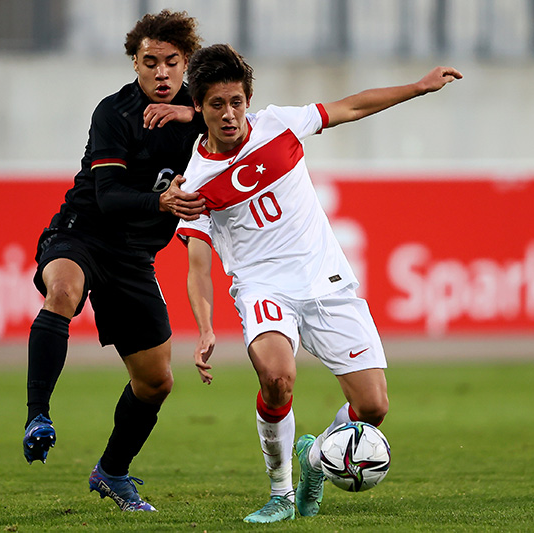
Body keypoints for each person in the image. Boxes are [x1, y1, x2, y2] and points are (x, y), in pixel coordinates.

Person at [176, 44, 462, 523]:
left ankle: (314, 459)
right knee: (276, 378)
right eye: (217, 104)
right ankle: (281, 495)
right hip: (264, 289)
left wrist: (418, 87)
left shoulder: (279, 124)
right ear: (199, 107)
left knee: (372, 407)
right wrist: (205, 327)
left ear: (248, 100)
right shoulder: (196, 181)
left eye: (236, 102)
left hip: (325, 280)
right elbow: (198, 266)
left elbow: (352, 106)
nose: (229, 114)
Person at [22, 10, 207, 512]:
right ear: (135, 64)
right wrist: (162, 202)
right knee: (63, 291)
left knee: (156, 381)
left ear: (187, 62)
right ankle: (38, 416)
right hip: (83, 230)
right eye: (150, 62)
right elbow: (108, 196)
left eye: (172, 62)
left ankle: (112, 471)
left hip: (134, 256)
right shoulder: (114, 112)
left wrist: (192, 117)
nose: (161, 72)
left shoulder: (203, 111)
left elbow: (247, 125)